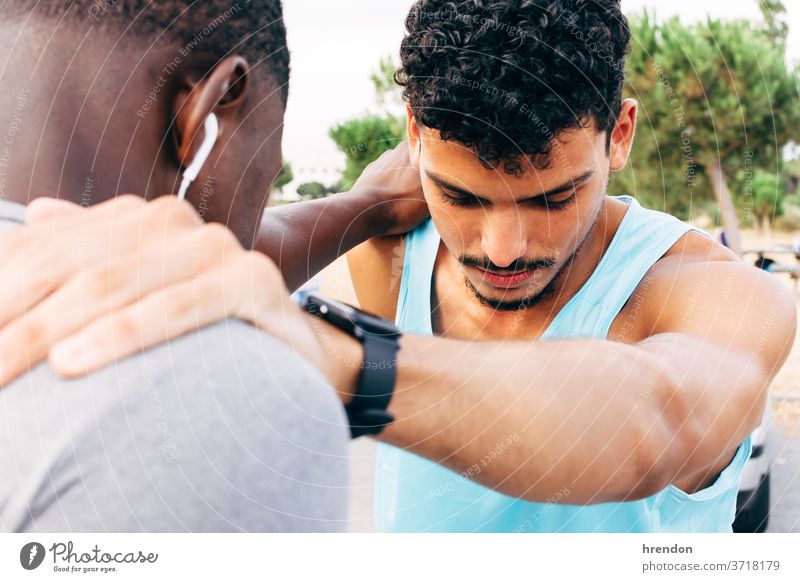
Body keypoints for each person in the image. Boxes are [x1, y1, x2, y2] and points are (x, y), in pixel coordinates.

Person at [1, 0, 796, 533]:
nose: (502, 247)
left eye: (554, 198)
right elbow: (215, 269)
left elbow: (661, 417)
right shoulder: (387, 252)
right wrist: (360, 208)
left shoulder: (717, 292)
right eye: (461, 196)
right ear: (413, 131)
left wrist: (337, 355)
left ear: (619, 133)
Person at [0, 0, 399, 532]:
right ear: (211, 106)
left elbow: (219, 255)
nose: (235, 249)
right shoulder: (229, 397)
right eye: (263, 176)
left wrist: (365, 205)